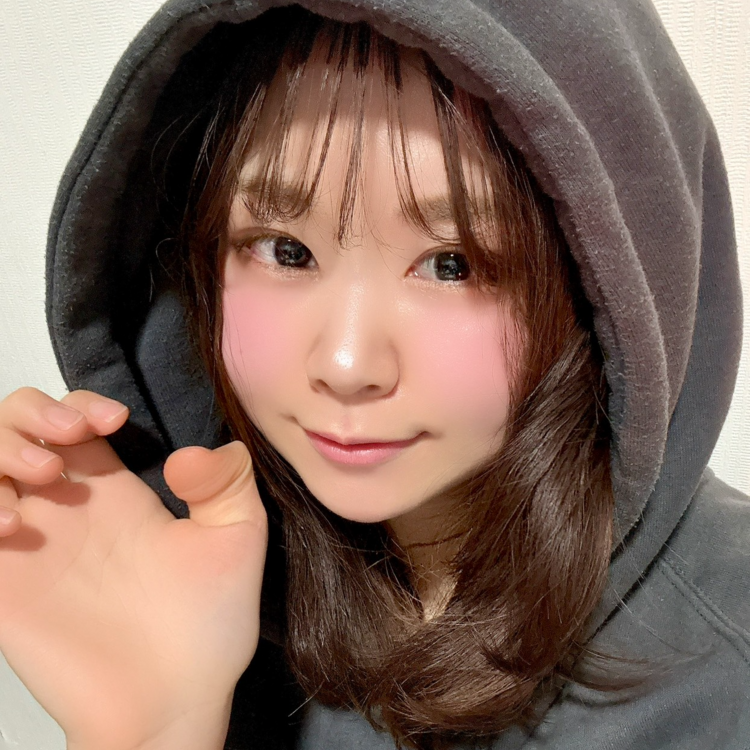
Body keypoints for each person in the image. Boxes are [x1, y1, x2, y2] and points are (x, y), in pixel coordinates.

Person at [0, 2, 747, 750]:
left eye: (452, 264)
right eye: (285, 250)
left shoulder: (726, 667)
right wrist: (153, 726)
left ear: (606, 282)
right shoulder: (217, 585)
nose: (345, 365)